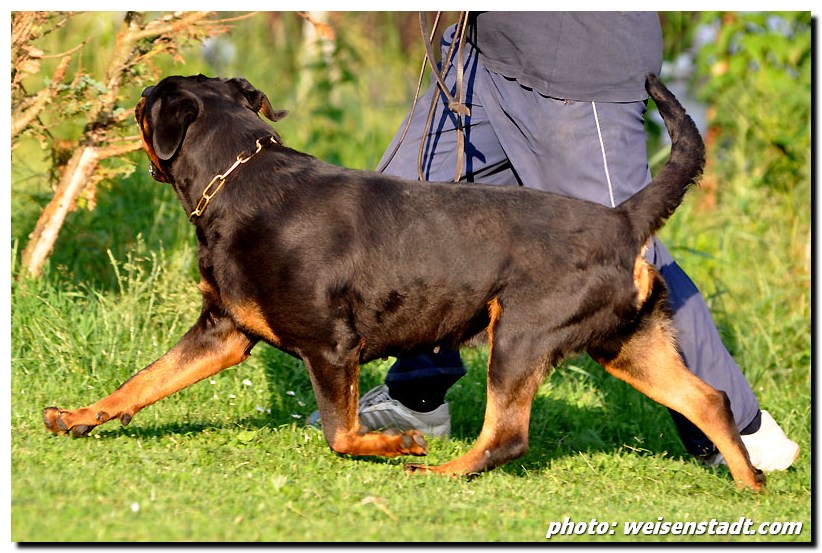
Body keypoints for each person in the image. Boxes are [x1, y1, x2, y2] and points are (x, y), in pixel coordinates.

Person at [312, 12, 799, 472]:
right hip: (482, 55)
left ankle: (740, 430)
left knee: (618, 251)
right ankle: (417, 397)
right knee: (398, 223)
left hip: (579, 67)